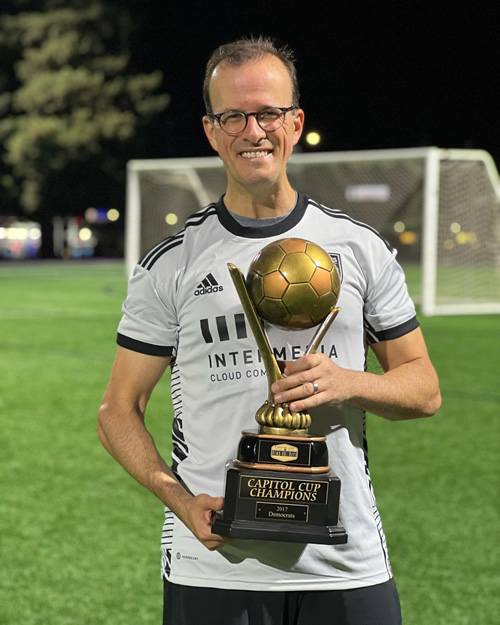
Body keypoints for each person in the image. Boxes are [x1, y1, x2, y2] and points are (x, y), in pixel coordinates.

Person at [97, 35, 441, 625]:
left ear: (295, 121)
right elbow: (116, 410)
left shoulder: (359, 249)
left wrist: (349, 383)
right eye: (233, 115)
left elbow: (423, 389)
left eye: (268, 113)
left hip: (344, 561)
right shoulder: (172, 263)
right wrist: (178, 501)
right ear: (211, 130)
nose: (252, 130)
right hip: (214, 565)